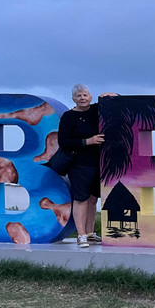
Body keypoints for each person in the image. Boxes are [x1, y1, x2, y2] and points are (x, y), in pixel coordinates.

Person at [57, 84, 112, 248]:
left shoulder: (96, 110)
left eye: (85, 95)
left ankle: (90, 233)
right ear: (74, 99)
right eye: (79, 96)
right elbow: (63, 141)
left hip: (98, 162)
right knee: (80, 199)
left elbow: (114, 98)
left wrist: (107, 93)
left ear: (91, 97)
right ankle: (80, 235)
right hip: (79, 164)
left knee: (93, 198)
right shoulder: (68, 117)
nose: (82, 98)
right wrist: (87, 141)